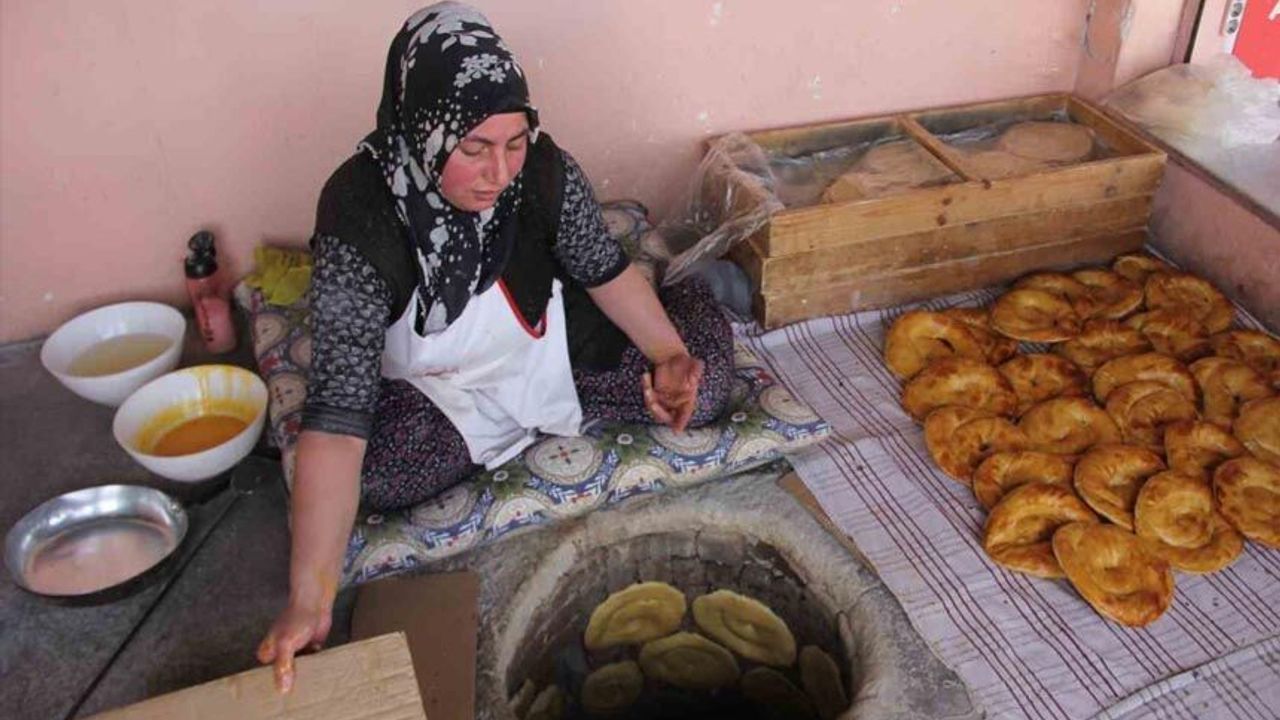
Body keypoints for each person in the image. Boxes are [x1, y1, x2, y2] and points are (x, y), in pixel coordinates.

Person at [256, 2, 733, 691]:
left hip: (547, 348)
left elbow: (603, 272)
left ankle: (687, 299)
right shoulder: (359, 212)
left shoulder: (543, 173)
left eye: (514, 142)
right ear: (421, 128)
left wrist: (667, 357)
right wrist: (310, 597)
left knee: (704, 388)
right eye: (474, 148)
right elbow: (336, 419)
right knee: (375, 476)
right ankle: (523, 422)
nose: (499, 172)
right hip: (439, 387)